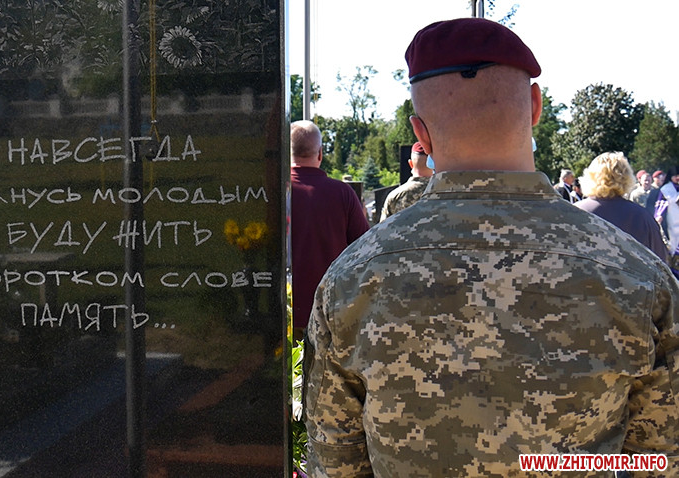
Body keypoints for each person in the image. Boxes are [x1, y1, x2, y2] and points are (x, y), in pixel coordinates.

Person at [304, 18, 679, 477]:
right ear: (535, 106)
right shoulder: (639, 278)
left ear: (421, 133)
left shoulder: (351, 281)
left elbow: (336, 463)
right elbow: (662, 458)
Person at [290, 120, 369, 340]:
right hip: (330, 311)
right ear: (320, 153)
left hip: (282, 311)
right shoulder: (343, 194)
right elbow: (365, 249)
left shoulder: (274, 191)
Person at [575, 153, 668, 262]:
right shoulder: (643, 217)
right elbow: (661, 263)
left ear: (589, 177)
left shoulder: (574, 212)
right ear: (627, 178)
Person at [378, 142, 433, 222]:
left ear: (410, 163)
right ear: (433, 163)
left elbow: (382, 227)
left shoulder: (395, 196)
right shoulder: (443, 191)